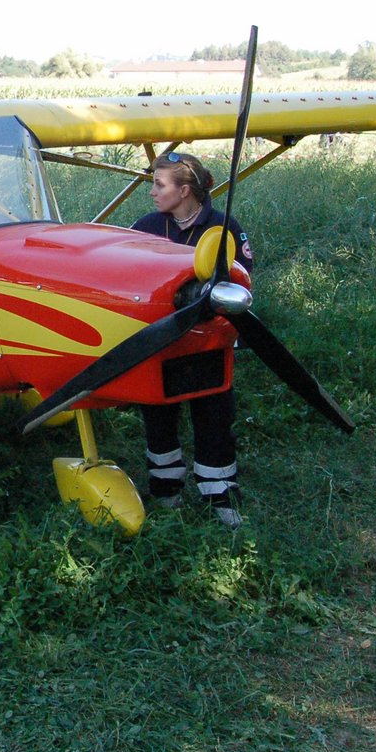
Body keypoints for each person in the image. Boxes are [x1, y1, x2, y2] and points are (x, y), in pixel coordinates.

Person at [129, 151, 254, 528]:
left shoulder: (224, 228)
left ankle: (220, 494)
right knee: (158, 414)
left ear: (184, 190)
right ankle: (165, 489)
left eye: (159, 184)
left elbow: (242, 281)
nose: (151, 192)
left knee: (214, 414)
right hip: (160, 342)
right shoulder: (146, 226)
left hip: (207, 342)